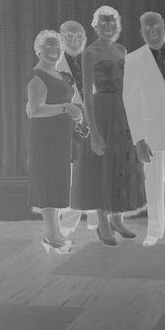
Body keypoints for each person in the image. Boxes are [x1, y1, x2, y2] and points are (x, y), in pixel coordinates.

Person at [70, 6, 146, 246]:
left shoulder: (121, 49)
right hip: (102, 112)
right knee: (103, 165)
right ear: (96, 27)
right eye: (104, 24)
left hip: (123, 111)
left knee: (121, 164)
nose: (109, 27)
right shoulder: (90, 52)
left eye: (112, 23)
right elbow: (87, 94)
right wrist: (93, 132)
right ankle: (102, 222)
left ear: (118, 25)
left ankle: (117, 219)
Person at [123, 12, 165, 246]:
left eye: (156, 29)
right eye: (147, 30)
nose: (153, 34)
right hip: (151, 132)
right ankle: (154, 229)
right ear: (141, 33)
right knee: (153, 182)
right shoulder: (133, 59)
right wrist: (139, 139)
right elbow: (130, 101)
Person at [26, 30, 82, 253]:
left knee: (57, 183)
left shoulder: (56, 73)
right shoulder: (38, 75)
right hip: (45, 137)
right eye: (48, 46)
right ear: (38, 50)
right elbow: (36, 110)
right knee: (49, 183)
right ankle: (51, 236)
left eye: (57, 46)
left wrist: (73, 114)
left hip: (60, 136)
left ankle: (55, 233)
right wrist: (67, 107)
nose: (54, 50)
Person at [50, 20, 99, 235]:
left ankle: (96, 214)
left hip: (95, 121)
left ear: (85, 38)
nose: (75, 40)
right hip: (67, 124)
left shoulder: (93, 59)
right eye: (69, 36)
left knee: (94, 168)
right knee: (70, 172)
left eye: (79, 36)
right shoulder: (53, 64)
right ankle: (69, 218)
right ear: (61, 38)